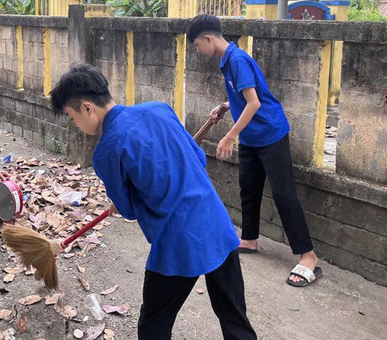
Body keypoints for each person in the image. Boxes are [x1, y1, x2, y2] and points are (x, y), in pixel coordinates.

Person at [49, 63, 257, 340]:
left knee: (154, 324)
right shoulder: (159, 108)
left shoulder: (107, 151)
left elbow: (129, 208)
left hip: (177, 242)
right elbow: (196, 158)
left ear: (87, 107)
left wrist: (121, 203)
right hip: (216, 224)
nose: (75, 124)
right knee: (234, 317)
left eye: (71, 117)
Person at [187, 14, 322, 288]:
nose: (197, 51)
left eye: (196, 45)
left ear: (208, 38)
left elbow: (254, 103)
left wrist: (229, 135)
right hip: (250, 137)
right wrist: (226, 106)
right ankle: (249, 239)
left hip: (270, 134)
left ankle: (309, 256)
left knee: (284, 195)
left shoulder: (236, 60)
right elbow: (244, 95)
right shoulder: (229, 61)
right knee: (247, 188)